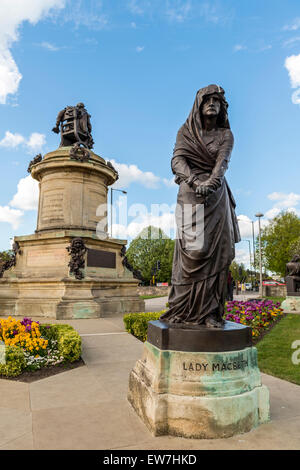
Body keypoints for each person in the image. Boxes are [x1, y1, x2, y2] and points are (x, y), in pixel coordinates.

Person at [160, 84, 240, 328]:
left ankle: (211, 312)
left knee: (216, 254)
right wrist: (195, 181)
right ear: (198, 105)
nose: (212, 104)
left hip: (215, 197)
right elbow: (177, 160)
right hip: (189, 194)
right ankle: (184, 310)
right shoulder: (185, 131)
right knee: (193, 251)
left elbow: (221, 163)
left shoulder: (226, 135)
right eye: (207, 100)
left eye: (216, 100)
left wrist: (211, 183)